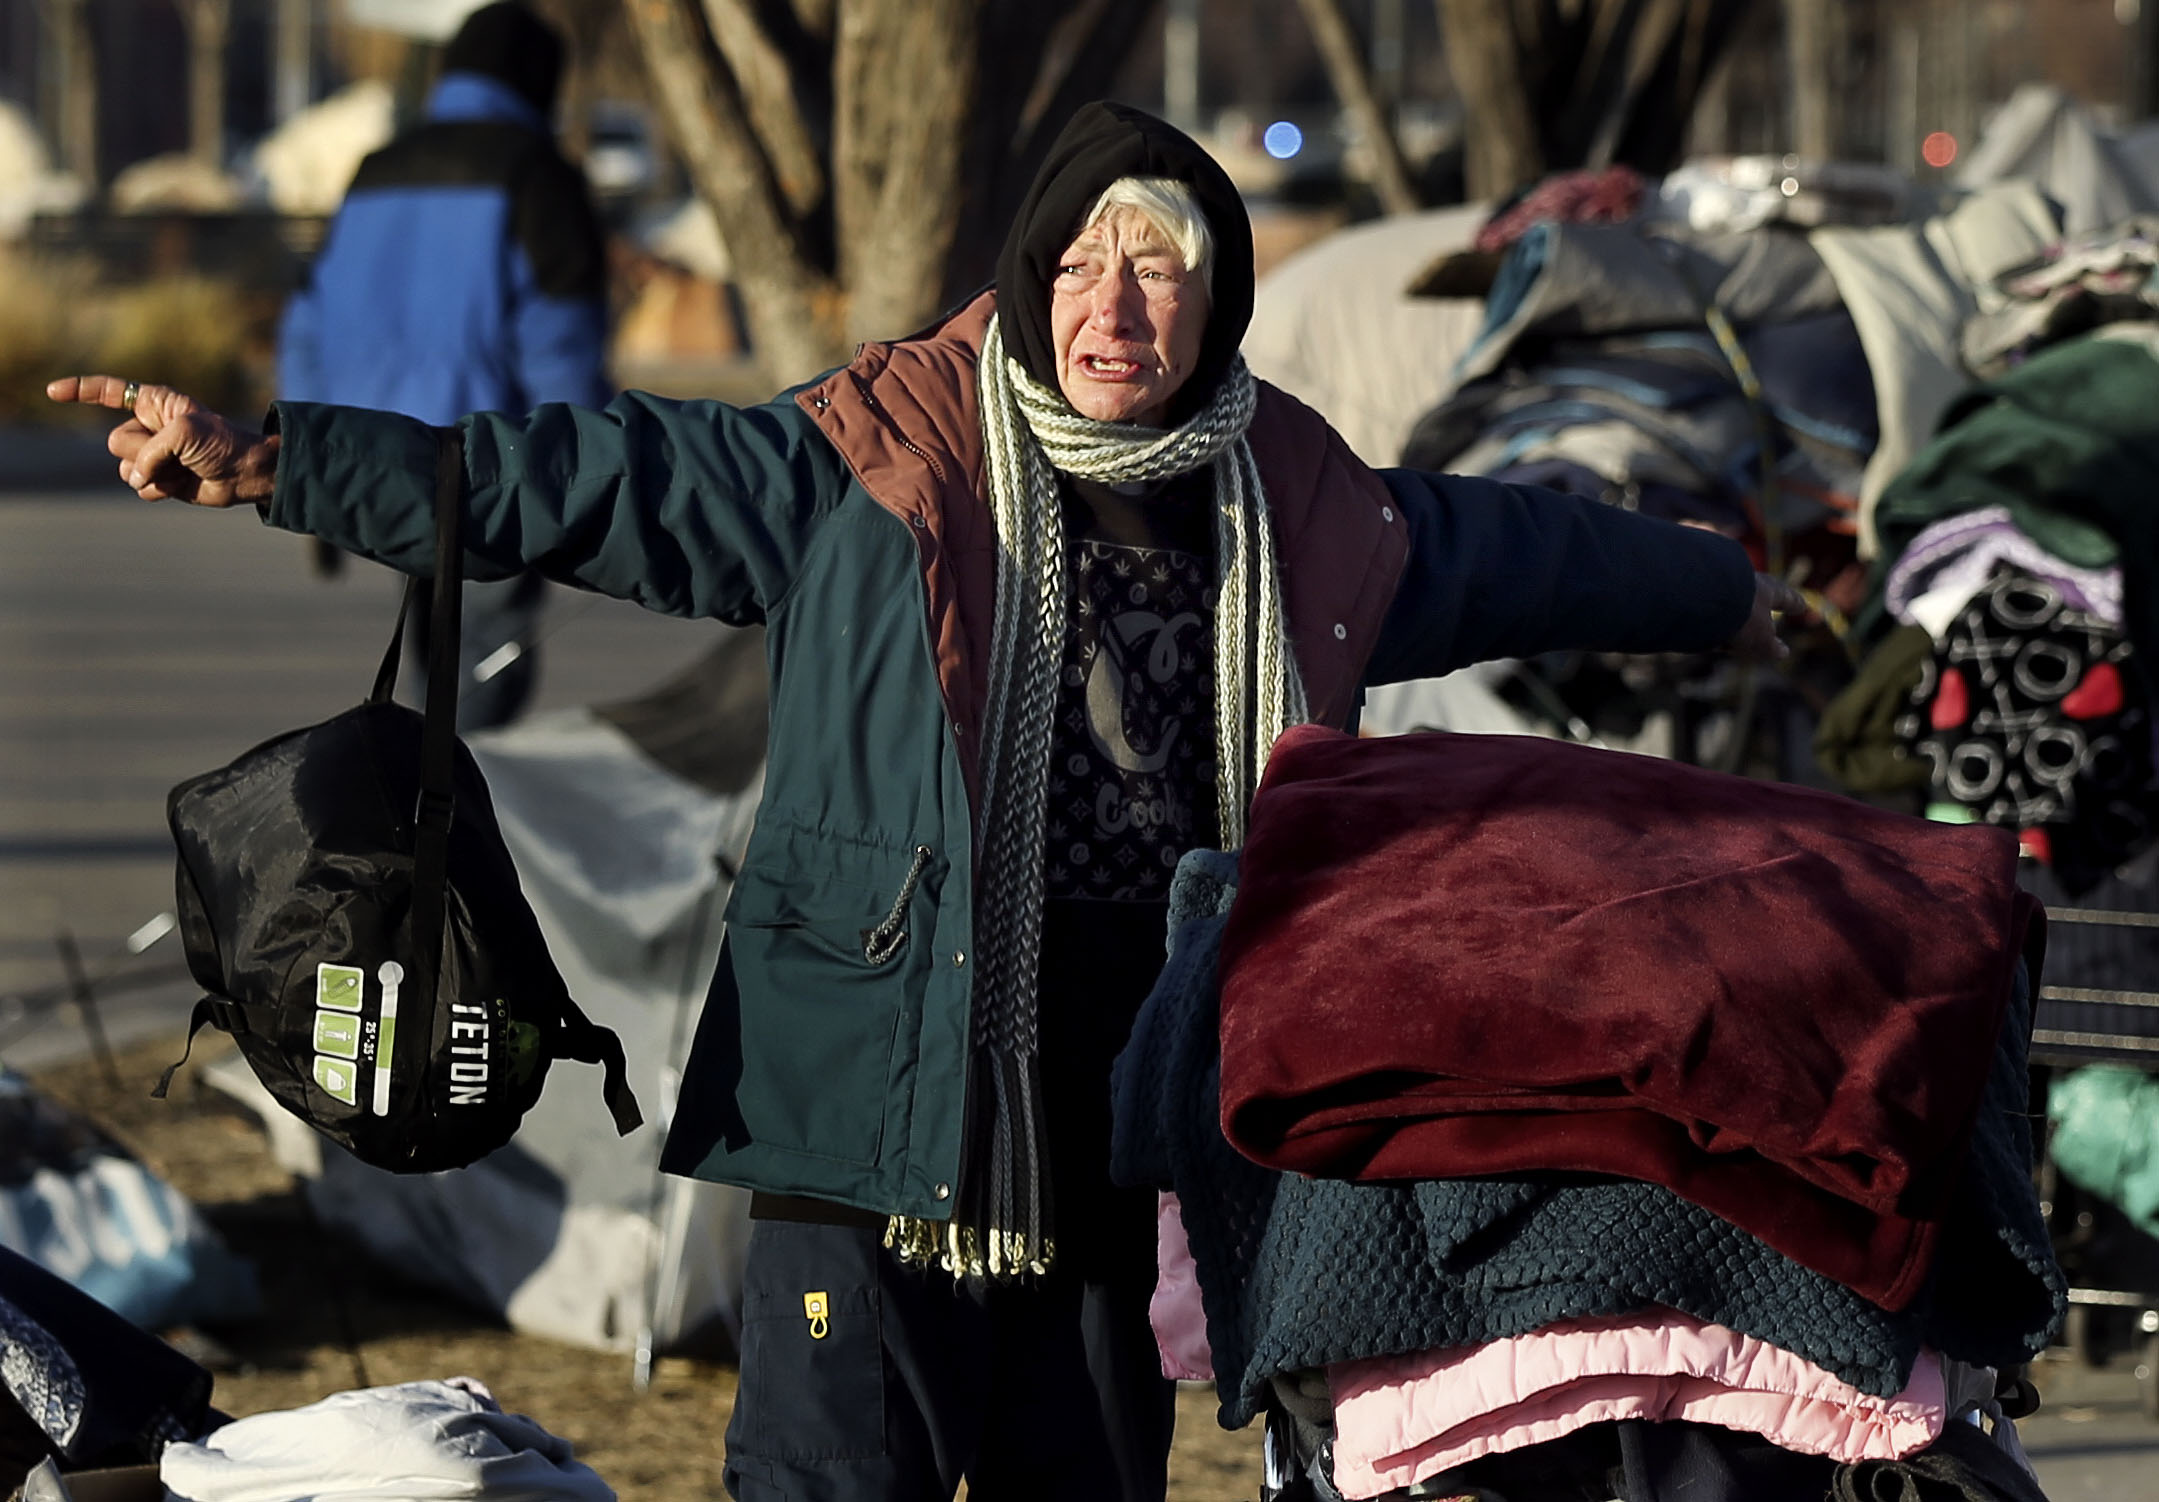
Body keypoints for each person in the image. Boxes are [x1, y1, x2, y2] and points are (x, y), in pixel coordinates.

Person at [54, 102, 1799, 1502]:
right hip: (866, 1100)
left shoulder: (1297, 505)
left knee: (1085, 1476)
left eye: (1163, 264)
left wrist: (1722, 586)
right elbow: (581, 476)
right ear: (1029, 272)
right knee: (838, 1476)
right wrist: (279, 456)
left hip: (1116, 1123)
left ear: (1220, 296)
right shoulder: (868, 460)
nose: (1116, 305)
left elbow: (1517, 552)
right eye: (1085, 261)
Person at [275, 0, 609, 731]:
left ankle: (428, 803)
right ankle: (452, 819)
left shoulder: (377, 170)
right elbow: (562, 342)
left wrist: (305, 453)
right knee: (480, 670)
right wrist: (582, 475)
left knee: (425, 636)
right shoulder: (536, 176)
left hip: (376, 445)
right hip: (491, 460)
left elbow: (308, 316)